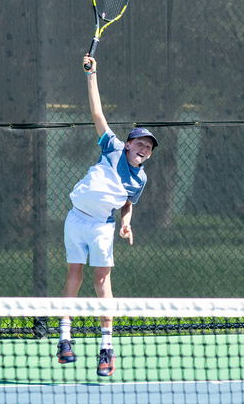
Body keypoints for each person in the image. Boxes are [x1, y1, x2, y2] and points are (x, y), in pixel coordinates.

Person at [56, 55, 159, 377]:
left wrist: (126, 222)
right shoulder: (112, 147)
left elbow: (128, 203)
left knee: (102, 283)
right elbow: (97, 112)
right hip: (76, 220)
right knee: (74, 276)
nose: (144, 148)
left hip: (102, 228)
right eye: (140, 143)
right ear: (128, 145)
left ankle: (106, 347)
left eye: (149, 147)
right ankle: (64, 339)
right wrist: (92, 74)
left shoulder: (139, 179)